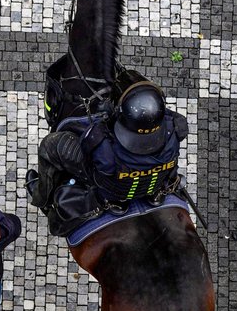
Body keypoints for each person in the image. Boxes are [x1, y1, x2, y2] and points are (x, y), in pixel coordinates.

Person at [29, 76, 188, 235]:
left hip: (113, 192)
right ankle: (154, 196)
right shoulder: (176, 127)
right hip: (154, 185)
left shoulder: (102, 145)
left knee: (49, 146)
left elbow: (86, 147)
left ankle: (41, 195)